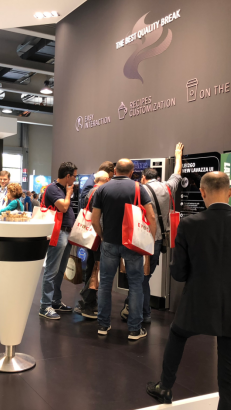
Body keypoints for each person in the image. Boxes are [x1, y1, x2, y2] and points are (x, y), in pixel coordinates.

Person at [146, 172, 231, 409]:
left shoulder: (189, 225)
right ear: (230, 192)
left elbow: (179, 273)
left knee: (177, 334)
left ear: (202, 192)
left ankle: (165, 386)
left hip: (197, 303)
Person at [91, 159, 156, 340]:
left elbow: (94, 220)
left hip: (109, 242)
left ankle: (103, 325)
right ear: (131, 172)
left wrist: (103, 236)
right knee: (135, 284)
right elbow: (151, 216)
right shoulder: (138, 188)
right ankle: (134, 329)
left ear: (115, 170)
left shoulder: (102, 189)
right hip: (132, 243)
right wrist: (149, 240)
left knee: (105, 283)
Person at [121, 143, 184, 323]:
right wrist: (178, 155)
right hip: (158, 240)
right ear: (157, 177)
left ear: (143, 178)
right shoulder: (167, 188)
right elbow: (177, 174)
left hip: (139, 240)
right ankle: (139, 310)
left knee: (139, 278)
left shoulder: (138, 190)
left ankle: (140, 312)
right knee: (144, 277)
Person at [39, 162, 78, 320]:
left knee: (60, 270)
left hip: (66, 233)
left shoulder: (62, 189)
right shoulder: (53, 189)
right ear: (68, 176)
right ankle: (45, 306)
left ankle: (55, 301)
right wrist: (68, 193)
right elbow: (63, 207)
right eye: (74, 176)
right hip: (58, 233)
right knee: (52, 270)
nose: (75, 179)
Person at [74, 170, 111, 319]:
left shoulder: (90, 192)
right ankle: (87, 301)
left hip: (89, 236)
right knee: (97, 269)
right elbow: (99, 218)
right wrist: (102, 235)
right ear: (107, 179)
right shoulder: (101, 192)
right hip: (97, 235)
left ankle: (88, 302)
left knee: (91, 268)